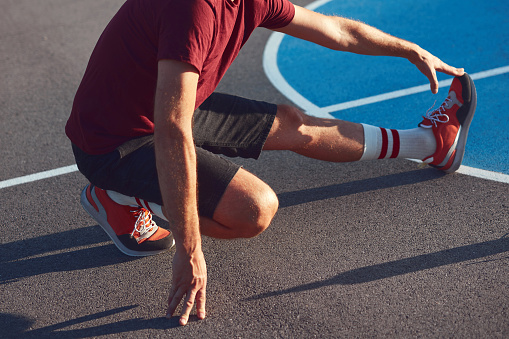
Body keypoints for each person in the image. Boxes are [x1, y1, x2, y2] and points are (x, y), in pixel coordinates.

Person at [65, 0, 476, 326]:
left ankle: (428, 144)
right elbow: (173, 131)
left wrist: (408, 49)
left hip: (163, 108)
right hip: (114, 141)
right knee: (254, 209)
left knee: (295, 124)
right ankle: (119, 193)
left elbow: (337, 31)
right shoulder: (193, 10)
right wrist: (189, 251)